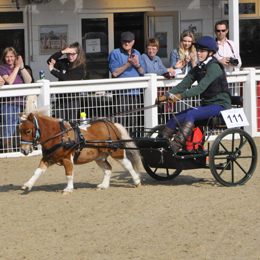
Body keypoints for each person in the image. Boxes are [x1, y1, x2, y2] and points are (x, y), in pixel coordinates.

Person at [156, 36, 231, 153]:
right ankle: (159, 143)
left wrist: (179, 97)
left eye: (202, 51)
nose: (198, 54)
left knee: (192, 113)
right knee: (174, 117)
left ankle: (175, 146)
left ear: (210, 53)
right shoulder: (198, 68)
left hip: (220, 105)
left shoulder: (214, 67)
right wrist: (165, 96)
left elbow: (200, 88)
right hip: (207, 104)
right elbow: (182, 85)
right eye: (198, 51)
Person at [108, 31, 145, 135]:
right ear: (121, 41)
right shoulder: (115, 53)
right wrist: (129, 63)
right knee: (121, 121)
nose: (127, 43)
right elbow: (115, 73)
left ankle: (132, 141)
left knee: (134, 121)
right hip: (121, 93)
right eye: (125, 41)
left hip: (136, 93)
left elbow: (143, 72)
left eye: (129, 41)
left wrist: (137, 64)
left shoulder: (137, 53)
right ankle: (121, 142)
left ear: (133, 42)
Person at [0, 47, 32, 152]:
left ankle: (11, 148)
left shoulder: (18, 69)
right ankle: (7, 150)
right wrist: (17, 67)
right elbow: (10, 81)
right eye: (7, 57)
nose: (9, 59)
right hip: (8, 103)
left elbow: (29, 81)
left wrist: (21, 67)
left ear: (15, 57)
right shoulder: (3, 68)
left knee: (14, 127)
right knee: (7, 127)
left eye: (11, 56)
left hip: (18, 103)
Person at [47, 42, 86, 120]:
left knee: (71, 123)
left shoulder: (80, 67)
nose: (70, 56)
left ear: (78, 54)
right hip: (61, 97)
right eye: (68, 54)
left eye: (73, 54)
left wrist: (52, 71)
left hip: (72, 99)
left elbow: (67, 78)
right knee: (59, 122)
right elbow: (50, 60)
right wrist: (63, 51)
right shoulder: (64, 62)